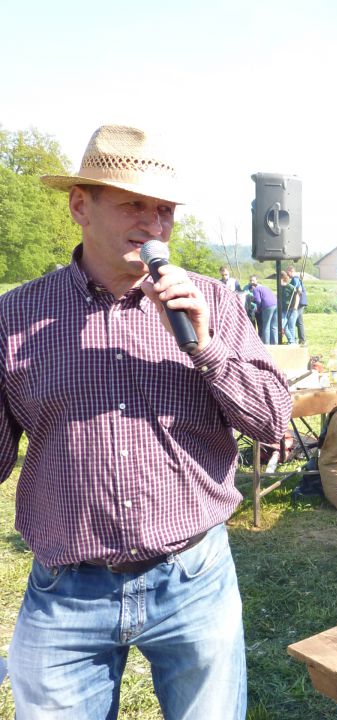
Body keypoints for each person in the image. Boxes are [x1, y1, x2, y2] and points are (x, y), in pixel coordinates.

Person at [3, 124, 292, 717]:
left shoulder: (212, 300)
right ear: (80, 205)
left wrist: (206, 349)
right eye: (133, 204)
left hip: (192, 578)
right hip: (66, 592)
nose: (153, 224)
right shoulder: (16, 315)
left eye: (164, 210)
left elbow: (272, 419)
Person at [249, 274, 278, 344]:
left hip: (267, 306)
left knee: (266, 325)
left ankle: (266, 344)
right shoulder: (264, 287)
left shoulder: (255, 290)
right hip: (276, 304)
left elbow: (258, 301)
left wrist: (257, 309)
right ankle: (275, 343)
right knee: (274, 326)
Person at [286, 263, 308, 344]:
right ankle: (301, 339)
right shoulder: (297, 279)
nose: (287, 275)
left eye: (287, 272)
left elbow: (297, 290)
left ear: (291, 271)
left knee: (295, 321)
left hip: (299, 302)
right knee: (299, 321)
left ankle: (298, 339)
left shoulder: (295, 279)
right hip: (300, 301)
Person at [278, 270, 299, 344]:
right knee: (282, 326)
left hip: (291, 309)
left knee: (291, 327)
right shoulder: (279, 287)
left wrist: (295, 307)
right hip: (283, 310)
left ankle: (291, 342)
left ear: (283, 278)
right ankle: (292, 340)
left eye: (279, 278)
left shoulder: (290, 287)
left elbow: (297, 296)